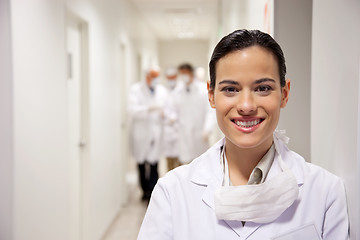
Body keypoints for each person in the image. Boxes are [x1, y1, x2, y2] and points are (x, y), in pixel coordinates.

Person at [138, 30, 349, 239]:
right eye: (230, 89)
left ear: (284, 94)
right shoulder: (172, 192)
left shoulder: (325, 192)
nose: (246, 106)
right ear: (211, 96)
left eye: (263, 88)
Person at [127, 67, 167, 201]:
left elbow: (168, 108)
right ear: (147, 77)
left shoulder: (162, 91)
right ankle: (144, 191)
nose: (155, 80)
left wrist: (164, 114)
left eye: (157, 76)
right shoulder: (136, 90)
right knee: (142, 163)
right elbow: (132, 110)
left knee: (155, 163)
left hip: (156, 132)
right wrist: (148, 109)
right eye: (153, 77)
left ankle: (153, 191)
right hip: (142, 132)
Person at [174, 63, 215, 164]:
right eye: (181, 73)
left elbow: (210, 110)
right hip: (183, 134)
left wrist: (207, 129)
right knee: (186, 165)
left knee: (201, 163)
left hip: (199, 133)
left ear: (191, 73)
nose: (183, 76)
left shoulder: (203, 90)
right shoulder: (178, 91)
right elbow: (174, 110)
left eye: (185, 73)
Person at [162, 67, 181, 171]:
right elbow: (162, 107)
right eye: (169, 78)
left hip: (179, 128)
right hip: (167, 129)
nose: (171, 80)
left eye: (173, 77)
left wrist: (175, 117)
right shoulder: (162, 90)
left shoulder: (181, 89)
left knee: (180, 162)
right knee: (169, 159)